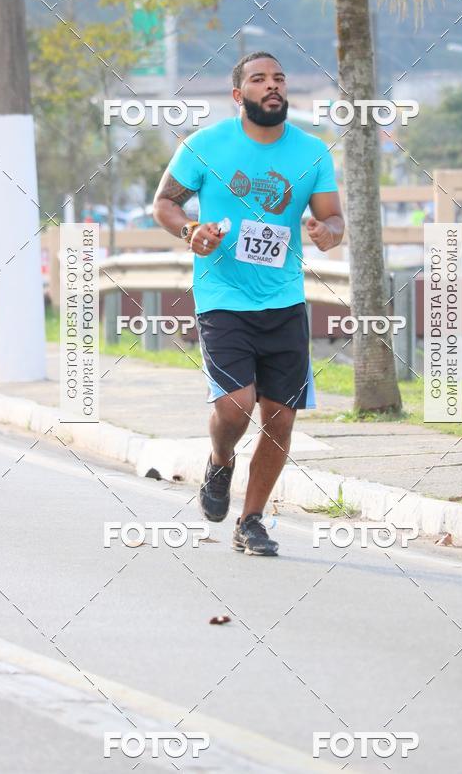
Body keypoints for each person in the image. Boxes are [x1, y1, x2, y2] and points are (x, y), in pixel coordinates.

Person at [153, 52, 345, 556]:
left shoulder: (312, 152)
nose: (272, 86)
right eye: (259, 79)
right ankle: (220, 460)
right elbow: (165, 204)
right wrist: (192, 231)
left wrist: (328, 233)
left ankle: (252, 520)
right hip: (222, 297)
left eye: (279, 78)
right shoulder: (206, 145)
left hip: (283, 300)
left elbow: (334, 219)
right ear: (239, 95)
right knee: (236, 406)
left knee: (280, 420)